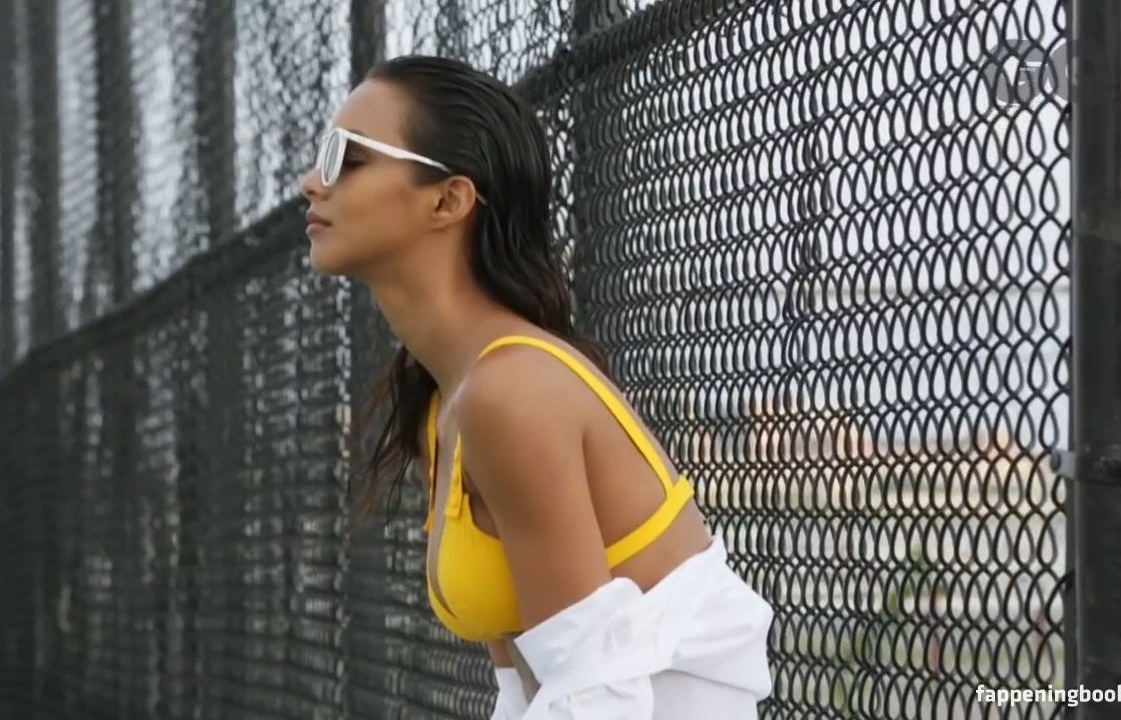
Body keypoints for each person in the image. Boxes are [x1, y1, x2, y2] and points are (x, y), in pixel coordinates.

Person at [299, 54, 774, 719]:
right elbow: (529, 689)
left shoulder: (510, 392)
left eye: (344, 159)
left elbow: (594, 696)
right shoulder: (448, 400)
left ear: (448, 200)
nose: (310, 183)